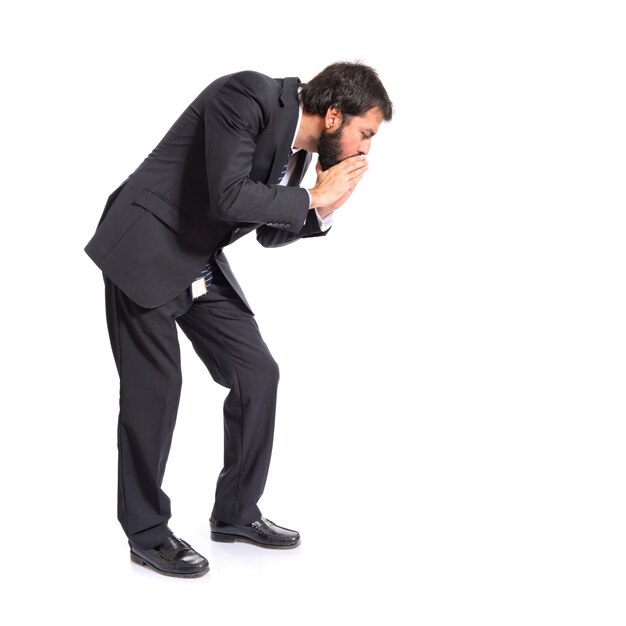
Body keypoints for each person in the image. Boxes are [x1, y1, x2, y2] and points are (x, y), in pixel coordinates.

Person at [84, 61, 393, 578]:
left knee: (257, 374)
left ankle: (235, 513)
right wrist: (311, 197)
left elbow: (271, 231)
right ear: (335, 115)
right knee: (155, 389)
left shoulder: (301, 150)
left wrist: (326, 206)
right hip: (143, 247)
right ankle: (147, 534)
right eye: (366, 134)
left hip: (196, 258)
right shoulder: (247, 96)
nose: (366, 149)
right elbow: (228, 196)